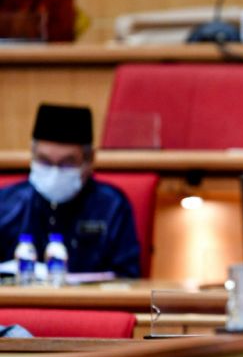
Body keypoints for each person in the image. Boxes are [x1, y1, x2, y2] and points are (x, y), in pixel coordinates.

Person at [0, 104, 141, 278]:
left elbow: (129, 277)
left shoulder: (112, 206)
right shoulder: (5, 203)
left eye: (67, 163)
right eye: (44, 161)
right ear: (32, 155)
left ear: (89, 160)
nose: (54, 172)